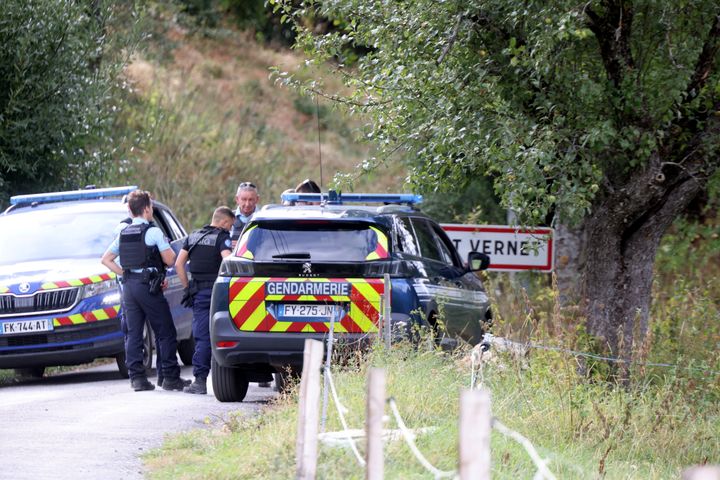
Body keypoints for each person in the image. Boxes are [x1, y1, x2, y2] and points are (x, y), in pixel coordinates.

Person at [101, 190, 188, 392]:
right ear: (147, 208)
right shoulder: (153, 232)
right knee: (165, 331)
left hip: (129, 287)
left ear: (130, 210)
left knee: (133, 333)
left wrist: (126, 274)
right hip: (148, 288)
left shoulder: (123, 232)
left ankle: (137, 379)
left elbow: (106, 259)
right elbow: (170, 260)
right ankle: (170, 377)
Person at [175, 206, 235, 394]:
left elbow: (178, 264)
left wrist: (187, 288)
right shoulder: (222, 237)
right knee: (226, 332)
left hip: (198, 293)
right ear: (224, 223)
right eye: (230, 226)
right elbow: (228, 261)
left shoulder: (192, 236)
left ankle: (200, 381)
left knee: (202, 336)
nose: (230, 229)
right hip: (218, 293)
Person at [230, 181, 260, 249]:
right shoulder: (228, 218)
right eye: (244, 199)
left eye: (251, 200)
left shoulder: (264, 218)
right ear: (237, 199)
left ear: (257, 199)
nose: (247, 204)